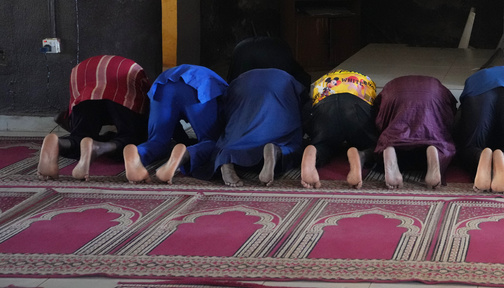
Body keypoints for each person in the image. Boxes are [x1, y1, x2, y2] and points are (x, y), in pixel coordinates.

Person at [159, 68, 306, 186]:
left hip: (241, 87)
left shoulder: (239, 76)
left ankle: (222, 157)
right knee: (292, 144)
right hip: (281, 88)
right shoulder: (288, 76)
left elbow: (225, 107)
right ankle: (277, 150)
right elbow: (301, 106)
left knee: (226, 142)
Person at [38, 55, 150, 181]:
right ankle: (98, 147)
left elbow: (70, 116)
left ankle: (58, 143)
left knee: (80, 135)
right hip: (125, 73)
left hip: (84, 73)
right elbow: (145, 109)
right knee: (132, 137)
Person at [123, 64, 228, 184]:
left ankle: (137, 153)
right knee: (211, 141)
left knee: (157, 141)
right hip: (199, 84)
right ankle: (185, 154)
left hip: (163, 84)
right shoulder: (228, 91)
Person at [454, 66, 504, 194]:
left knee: (468, 147)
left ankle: (480, 155)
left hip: (478, 89)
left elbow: (459, 118)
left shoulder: (476, 77)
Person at [374, 75, 457, 189]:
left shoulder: (391, 84)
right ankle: (435, 149)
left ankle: (390, 148)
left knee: (388, 139)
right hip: (432, 96)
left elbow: (380, 117)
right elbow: (450, 113)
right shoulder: (439, 86)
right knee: (441, 138)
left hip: (394, 93)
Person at [300, 70, 380, 190]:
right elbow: (377, 112)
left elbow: (307, 110)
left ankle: (315, 150)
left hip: (324, 105)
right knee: (372, 145)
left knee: (325, 143)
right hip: (356, 105)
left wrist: (313, 133)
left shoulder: (323, 80)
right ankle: (361, 154)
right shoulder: (367, 81)